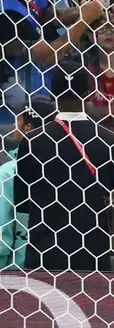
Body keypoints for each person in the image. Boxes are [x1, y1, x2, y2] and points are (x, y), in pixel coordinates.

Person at [14, 58, 114, 272]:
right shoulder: (109, 140)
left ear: (51, 94)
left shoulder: (32, 141)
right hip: (93, 252)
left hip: (45, 252)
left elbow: (22, 203)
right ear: (87, 93)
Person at [0, 100, 48, 269]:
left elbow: (2, 230)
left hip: (14, 271)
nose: (14, 124)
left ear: (27, 126)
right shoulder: (58, 167)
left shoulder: (8, 172)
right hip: (51, 265)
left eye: (18, 120)